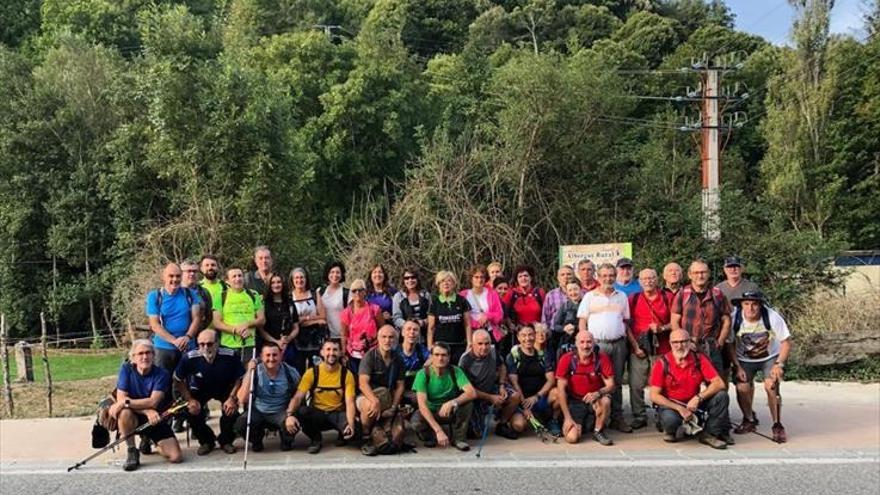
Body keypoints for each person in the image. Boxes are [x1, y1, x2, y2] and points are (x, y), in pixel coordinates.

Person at [649, 329, 731, 449]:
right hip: (672, 404)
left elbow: (719, 383)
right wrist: (680, 409)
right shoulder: (662, 363)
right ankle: (671, 429)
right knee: (670, 420)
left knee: (722, 396)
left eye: (683, 342)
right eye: (675, 342)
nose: (679, 346)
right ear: (670, 344)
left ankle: (709, 434)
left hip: (694, 401)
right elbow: (654, 395)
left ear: (689, 342)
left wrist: (699, 398)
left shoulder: (699, 359)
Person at [109, 339, 182, 471]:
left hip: (155, 419)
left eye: (148, 353)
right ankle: (132, 451)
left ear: (154, 355)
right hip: (136, 416)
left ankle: (151, 440)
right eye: (140, 353)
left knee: (176, 457)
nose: (145, 357)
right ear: (133, 358)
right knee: (124, 413)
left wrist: (127, 402)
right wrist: (146, 411)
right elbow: (121, 398)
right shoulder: (126, 369)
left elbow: (153, 402)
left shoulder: (162, 374)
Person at [729, 291, 791, 443]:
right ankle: (749, 419)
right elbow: (729, 344)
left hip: (769, 357)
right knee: (742, 387)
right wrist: (737, 366)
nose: (750, 308)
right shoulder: (734, 319)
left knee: (771, 385)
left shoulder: (771, 317)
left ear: (760, 305)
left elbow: (786, 342)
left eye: (754, 304)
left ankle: (777, 424)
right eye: (746, 304)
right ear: (741, 305)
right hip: (744, 359)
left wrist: (779, 364)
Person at [577, 263, 633, 433]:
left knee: (615, 381)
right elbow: (582, 320)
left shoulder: (622, 296)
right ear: (598, 277)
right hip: (597, 345)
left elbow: (625, 321)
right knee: (597, 380)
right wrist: (583, 341)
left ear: (615, 276)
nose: (608, 278)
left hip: (618, 344)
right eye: (604, 275)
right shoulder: (589, 296)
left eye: (611, 275)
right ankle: (597, 417)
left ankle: (617, 417)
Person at [173, 329, 244, 455]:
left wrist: (232, 397)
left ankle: (226, 441)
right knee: (191, 411)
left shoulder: (230, 355)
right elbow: (177, 379)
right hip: (199, 388)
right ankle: (207, 441)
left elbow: (239, 377)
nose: (205, 347)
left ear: (217, 343)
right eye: (201, 344)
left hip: (224, 387)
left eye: (210, 344)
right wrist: (189, 399)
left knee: (231, 411)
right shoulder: (189, 357)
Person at [287, 340, 358, 454]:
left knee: (356, 429)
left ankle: (343, 434)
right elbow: (298, 397)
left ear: (340, 352)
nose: (331, 353)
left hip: (338, 414)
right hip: (318, 414)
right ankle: (316, 439)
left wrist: (351, 424)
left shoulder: (347, 374)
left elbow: (350, 402)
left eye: (335, 350)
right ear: (322, 352)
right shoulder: (312, 373)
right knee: (302, 412)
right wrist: (289, 415)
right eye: (328, 349)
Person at [626, 268, 674, 430]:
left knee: (661, 384)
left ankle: (662, 415)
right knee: (636, 384)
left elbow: (676, 322)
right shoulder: (633, 299)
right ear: (639, 282)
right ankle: (639, 416)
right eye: (644, 279)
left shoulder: (668, 298)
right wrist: (635, 346)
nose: (648, 281)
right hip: (639, 347)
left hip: (662, 347)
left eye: (651, 278)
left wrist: (662, 328)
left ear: (657, 279)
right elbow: (627, 325)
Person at [235, 342, 302, 452]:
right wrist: (249, 372)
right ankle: (256, 440)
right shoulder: (256, 371)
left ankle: (286, 440)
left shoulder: (290, 372)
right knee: (240, 424)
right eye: (267, 355)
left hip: (281, 410)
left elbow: (299, 395)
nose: (271, 359)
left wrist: (291, 414)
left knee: (294, 422)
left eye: (275, 355)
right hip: (259, 410)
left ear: (281, 355)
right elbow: (242, 399)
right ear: (261, 356)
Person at [670, 260, 732, 379]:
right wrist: (684, 342)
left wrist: (720, 341)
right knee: (688, 384)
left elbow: (726, 320)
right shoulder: (683, 294)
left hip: (712, 346)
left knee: (716, 385)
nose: (700, 275)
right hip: (689, 346)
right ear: (690, 274)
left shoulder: (717, 294)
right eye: (696, 272)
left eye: (703, 272)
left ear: (708, 273)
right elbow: (674, 321)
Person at [411, 342, 477, 451]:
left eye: (444, 355)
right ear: (431, 357)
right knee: (416, 422)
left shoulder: (456, 371)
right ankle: (430, 436)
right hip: (430, 411)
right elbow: (422, 405)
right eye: (436, 355)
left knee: (467, 404)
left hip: (448, 411)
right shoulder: (422, 374)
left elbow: (472, 393)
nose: (440, 358)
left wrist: (452, 403)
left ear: (449, 357)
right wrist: (438, 430)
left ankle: (459, 438)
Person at [459, 330, 521, 440]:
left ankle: (502, 424)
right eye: (480, 344)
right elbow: (469, 390)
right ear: (472, 344)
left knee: (515, 396)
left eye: (487, 343)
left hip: (492, 387)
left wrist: (501, 385)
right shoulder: (465, 360)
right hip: (475, 396)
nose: (484, 347)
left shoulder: (493, 351)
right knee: (476, 435)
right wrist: (491, 398)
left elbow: (502, 366)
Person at [555, 331, 614, 446]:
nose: (585, 346)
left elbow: (611, 385)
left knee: (606, 401)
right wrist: (567, 417)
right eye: (582, 342)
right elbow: (560, 389)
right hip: (575, 400)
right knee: (572, 438)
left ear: (594, 343)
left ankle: (598, 431)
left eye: (589, 342)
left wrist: (598, 393)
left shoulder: (602, 358)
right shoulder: (567, 359)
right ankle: (583, 424)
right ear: (576, 344)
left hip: (595, 399)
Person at [357, 325, 405, 455]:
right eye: (384, 337)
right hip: (367, 396)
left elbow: (400, 385)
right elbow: (363, 383)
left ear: (396, 339)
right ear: (378, 339)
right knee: (369, 407)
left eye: (391, 337)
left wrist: (394, 406)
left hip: (388, 397)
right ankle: (365, 438)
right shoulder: (369, 356)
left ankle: (382, 434)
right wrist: (374, 400)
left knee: (398, 430)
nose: (387, 340)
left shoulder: (398, 358)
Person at [145, 263, 201, 375]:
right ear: (164, 276)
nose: (174, 279)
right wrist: (174, 340)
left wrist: (187, 337)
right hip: (163, 347)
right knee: (163, 383)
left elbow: (197, 318)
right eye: (171, 276)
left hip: (187, 346)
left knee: (187, 381)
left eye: (177, 276)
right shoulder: (155, 296)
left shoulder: (190, 294)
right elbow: (155, 324)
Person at [507, 325, 560, 437]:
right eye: (524, 335)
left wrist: (537, 396)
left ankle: (553, 420)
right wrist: (524, 407)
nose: (528, 338)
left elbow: (551, 380)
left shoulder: (542, 355)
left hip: (539, 397)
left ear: (535, 335)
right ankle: (513, 418)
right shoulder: (513, 356)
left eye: (530, 335)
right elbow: (514, 383)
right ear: (518, 337)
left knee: (557, 392)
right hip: (522, 400)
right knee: (519, 426)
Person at [212, 267, 265, 366]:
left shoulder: (253, 294)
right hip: (228, 345)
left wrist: (247, 324)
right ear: (227, 281)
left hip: (249, 344)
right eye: (234, 276)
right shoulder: (220, 296)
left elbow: (262, 320)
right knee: (229, 377)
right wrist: (236, 330)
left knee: (248, 375)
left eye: (240, 276)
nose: (238, 279)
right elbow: (216, 322)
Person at [340, 278, 384, 375]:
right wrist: (343, 354)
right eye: (354, 290)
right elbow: (344, 335)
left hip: (373, 352)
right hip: (353, 354)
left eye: (360, 290)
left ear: (365, 292)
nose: (357, 293)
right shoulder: (346, 313)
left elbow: (382, 330)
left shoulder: (375, 310)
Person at [427, 271, 472, 364]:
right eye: (442, 281)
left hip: (459, 346)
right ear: (438, 284)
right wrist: (430, 345)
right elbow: (431, 327)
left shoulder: (462, 301)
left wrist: (469, 343)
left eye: (449, 281)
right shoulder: (434, 303)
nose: (446, 283)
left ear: (454, 283)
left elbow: (467, 324)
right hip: (440, 347)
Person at [291, 267, 328, 373]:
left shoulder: (314, 294)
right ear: (292, 280)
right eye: (296, 278)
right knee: (299, 370)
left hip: (315, 339)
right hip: (297, 340)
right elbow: (294, 321)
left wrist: (305, 319)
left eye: (302, 277)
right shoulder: (289, 296)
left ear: (306, 279)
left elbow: (323, 316)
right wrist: (315, 320)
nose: (299, 280)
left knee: (316, 369)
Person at [259, 273, 299, 367]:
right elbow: (260, 329)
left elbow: (296, 326)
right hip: (268, 348)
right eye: (273, 282)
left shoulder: (289, 303)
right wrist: (276, 342)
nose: (276, 285)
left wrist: (288, 338)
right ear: (269, 285)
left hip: (288, 346)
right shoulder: (263, 303)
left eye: (279, 282)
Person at [460, 265, 504, 348]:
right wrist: (475, 323)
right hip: (471, 334)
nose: (479, 280)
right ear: (471, 278)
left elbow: (500, 315)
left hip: (489, 333)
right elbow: (460, 316)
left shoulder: (492, 294)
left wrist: (488, 316)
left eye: (482, 277)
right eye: (476, 277)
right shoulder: (463, 295)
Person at [398, 319, 431, 406]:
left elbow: (433, 358)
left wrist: (427, 364)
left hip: (417, 390)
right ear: (402, 333)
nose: (412, 332)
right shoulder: (395, 351)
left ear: (419, 334)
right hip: (397, 391)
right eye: (408, 329)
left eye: (415, 330)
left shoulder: (421, 350)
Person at [392, 268, 430, 337]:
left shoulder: (426, 295)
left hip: (424, 335)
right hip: (405, 336)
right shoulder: (398, 296)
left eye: (413, 277)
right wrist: (410, 324)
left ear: (417, 279)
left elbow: (431, 315)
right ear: (403, 280)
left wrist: (423, 322)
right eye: (406, 278)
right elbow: (396, 318)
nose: (410, 280)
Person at [318, 261, 349, 341]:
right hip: (326, 337)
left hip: (342, 336)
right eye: (332, 272)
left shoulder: (347, 293)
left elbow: (351, 316)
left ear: (342, 275)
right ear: (327, 274)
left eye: (338, 272)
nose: (335, 275)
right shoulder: (320, 292)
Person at [541, 265, 577, 331]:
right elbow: (545, 318)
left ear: (574, 276)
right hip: (555, 333)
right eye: (562, 275)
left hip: (576, 333)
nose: (565, 277)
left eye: (569, 274)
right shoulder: (551, 295)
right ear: (558, 278)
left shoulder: (582, 294)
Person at [551, 282, 582, 357]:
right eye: (570, 290)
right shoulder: (564, 307)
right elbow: (555, 326)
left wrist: (575, 327)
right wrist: (564, 328)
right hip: (566, 341)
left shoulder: (586, 304)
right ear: (567, 292)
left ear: (580, 289)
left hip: (583, 340)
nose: (573, 292)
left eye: (575, 289)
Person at [180, 259, 212, 333]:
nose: (192, 274)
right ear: (181, 273)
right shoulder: (174, 291)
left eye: (194, 271)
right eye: (188, 271)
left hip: (198, 335)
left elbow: (209, 316)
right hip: (178, 335)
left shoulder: (204, 292)